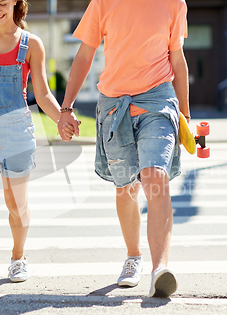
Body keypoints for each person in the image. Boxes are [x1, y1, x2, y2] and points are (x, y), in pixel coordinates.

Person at [58, 0, 190, 297]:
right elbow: (85, 54)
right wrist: (66, 108)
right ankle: (134, 257)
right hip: (114, 107)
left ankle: (160, 269)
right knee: (126, 188)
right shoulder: (103, 2)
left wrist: (187, 116)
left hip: (158, 102)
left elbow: (177, 58)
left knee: (156, 177)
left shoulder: (173, 3)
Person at [0, 0, 73, 294]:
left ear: (16, 4)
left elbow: (43, 92)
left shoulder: (31, 44)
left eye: (4, 3)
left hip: (17, 133)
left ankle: (18, 257)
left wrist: (62, 117)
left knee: (17, 206)